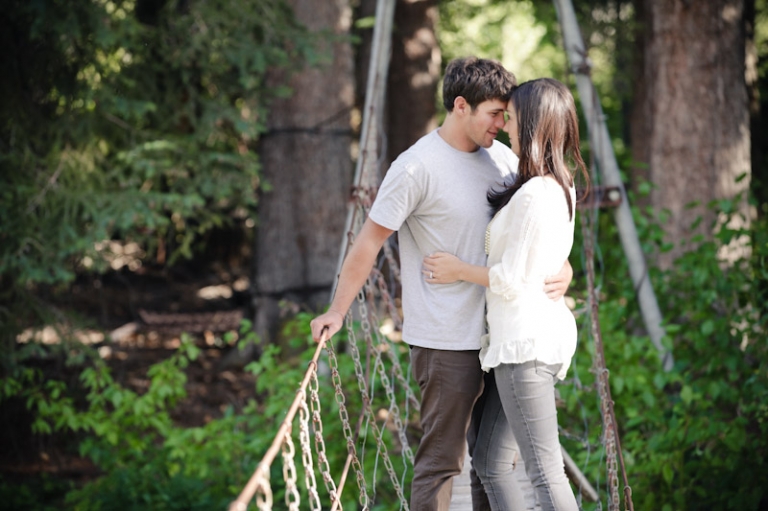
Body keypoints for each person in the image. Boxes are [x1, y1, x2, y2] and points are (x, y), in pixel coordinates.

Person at [310, 58, 572, 511]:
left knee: (494, 465)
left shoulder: (504, 157)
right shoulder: (416, 168)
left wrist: (562, 265)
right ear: (460, 106)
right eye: (494, 113)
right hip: (446, 339)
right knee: (443, 463)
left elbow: (535, 225)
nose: (502, 123)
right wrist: (338, 309)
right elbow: (369, 242)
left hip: (505, 336)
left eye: (506, 115)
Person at [421, 77, 588, 510]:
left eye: (512, 118)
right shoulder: (558, 184)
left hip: (525, 346)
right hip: (518, 345)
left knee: (544, 469)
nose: (507, 127)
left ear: (533, 124)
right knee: (491, 463)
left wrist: (458, 270)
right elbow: (545, 257)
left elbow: (514, 279)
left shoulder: (536, 193)